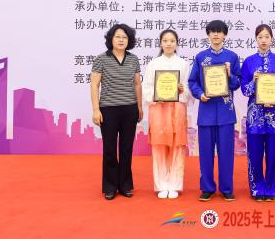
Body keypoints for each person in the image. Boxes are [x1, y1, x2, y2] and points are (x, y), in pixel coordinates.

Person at [188, 20, 241, 201]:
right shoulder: (201, 57)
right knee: (205, 153)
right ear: (208, 35)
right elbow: (192, 81)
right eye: (212, 32)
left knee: (226, 153)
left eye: (219, 32)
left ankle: (226, 188)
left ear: (225, 35)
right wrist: (200, 94)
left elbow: (237, 83)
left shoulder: (232, 57)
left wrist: (229, 75)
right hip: (206, 112)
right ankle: (207, 188)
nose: (216, 35)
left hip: (226, 113)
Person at [90, 24, 143, 200]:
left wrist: (139, 106)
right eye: (118, 37)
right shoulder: (101, 59)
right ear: (111, 39)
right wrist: (96, 109)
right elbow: (94, 85)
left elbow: (137, 84)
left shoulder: (133, 59)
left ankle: (125, 185)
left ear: (129, 40)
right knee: (110, 149)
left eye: (125, 37)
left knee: (127, 149)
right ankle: (110, 186)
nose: (121, 40)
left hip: (130, 109)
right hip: (108, 110)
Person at [142, 29, 191, 199]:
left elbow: (188, 89)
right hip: (159, 109)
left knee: (177, 147)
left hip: (177, 109)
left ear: (177, 43)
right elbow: (146, 88)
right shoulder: (153, 64)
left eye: (172, 41)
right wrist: (156, 96)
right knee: (159, 146)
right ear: (160, 43)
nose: (169, 44)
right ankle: (162, 184)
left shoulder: (183, 64)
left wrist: (182, 90)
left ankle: (175, 185)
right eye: (165, 40)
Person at [241, 24, 275, 202]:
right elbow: (245, 90)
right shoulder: (249, 62)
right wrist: (254, 81)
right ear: (255, 39)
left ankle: (271, 189)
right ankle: (257, 189)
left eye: (267, 37)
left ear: (272, 39)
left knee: (274, 154)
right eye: (260, 37)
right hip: (255, 116)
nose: (264, 40)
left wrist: (274, 99)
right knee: (255, 154)